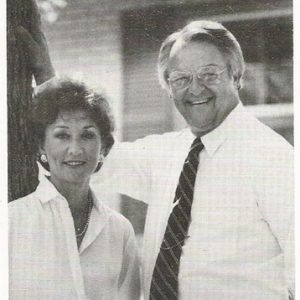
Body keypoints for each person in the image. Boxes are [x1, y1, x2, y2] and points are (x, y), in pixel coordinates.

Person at [21, 20, 293, 299]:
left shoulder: (272, 158)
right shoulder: (168, 154)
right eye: (181, 79)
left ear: (236, 76)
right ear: (169, 87)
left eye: (209, 74)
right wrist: (46, 79)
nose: (195, 89)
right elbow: (90, 157)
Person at [9, 78, 140, 299]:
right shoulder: (11, 221)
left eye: (87, 135)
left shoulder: (120, 231)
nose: (75, 149)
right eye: (62, 135)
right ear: (41, 145)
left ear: (104, 148)